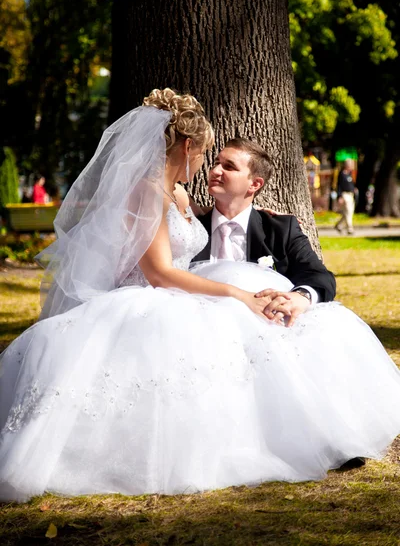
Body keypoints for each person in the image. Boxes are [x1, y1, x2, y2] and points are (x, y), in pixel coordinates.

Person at [1, 89, 400, 503]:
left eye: (226, 164)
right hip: (155, 299)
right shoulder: (150, 191)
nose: (209, 167)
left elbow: (317, 275)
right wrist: (237, 294)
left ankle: (323, 431)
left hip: (191, 297)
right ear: (188, 146)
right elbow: (159, 272)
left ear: (255, 184)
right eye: (209, 156)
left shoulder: (190, 199)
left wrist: (294, 297)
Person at [192, 138, 336, 327]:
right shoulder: (190, 228)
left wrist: (299, 297)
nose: (215, 171)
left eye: (229, 167)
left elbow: (320, 276)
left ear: (254, 184)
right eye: (217, 163)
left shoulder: (280, 228)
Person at [335, 160, 357, 235]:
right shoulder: (342, 174)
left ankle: (338, 225)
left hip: (351, 195)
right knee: (348, 211)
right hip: (345, 195)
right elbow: (339, 186)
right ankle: (350, 228)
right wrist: (339, 196)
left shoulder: (350, 174)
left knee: (348, 212)